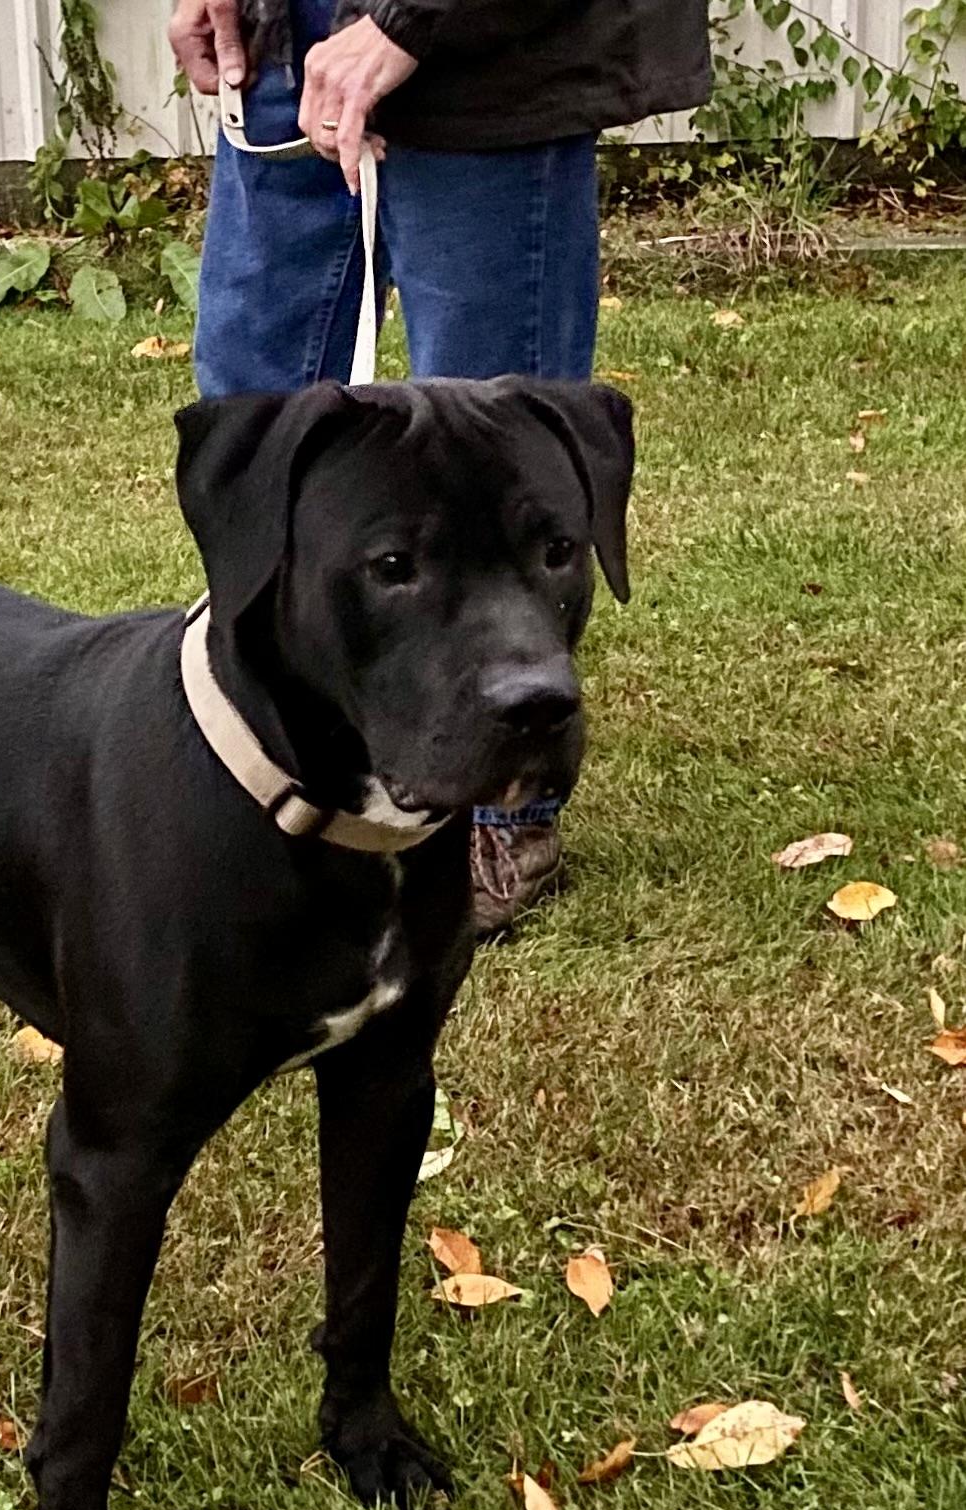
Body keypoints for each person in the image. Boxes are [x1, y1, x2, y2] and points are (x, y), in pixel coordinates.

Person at [169, 0, 711, 931]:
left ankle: (501, 807)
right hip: (285, 40)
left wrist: (408, 21)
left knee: (488, 449)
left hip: (489, 55)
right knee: (256, 409)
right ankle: (269, 769)